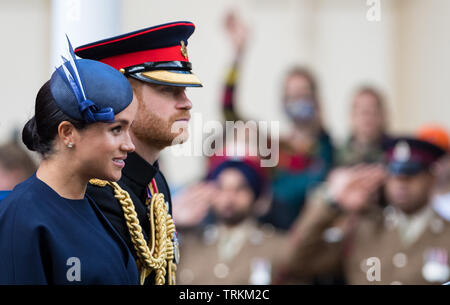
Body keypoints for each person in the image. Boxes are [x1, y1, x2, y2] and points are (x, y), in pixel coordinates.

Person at [0, 38, 139, 284]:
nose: (129, 145)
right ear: (67, 133)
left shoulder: (91, 209)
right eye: (116, 129)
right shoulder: (21, 218)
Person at [75, 21, 202, 285]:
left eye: (185, 90)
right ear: (122, 96)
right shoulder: (95, 189)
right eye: (168, 89)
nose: (187, 102)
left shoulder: (155, 183)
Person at [275, 137, 450, 285]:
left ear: (432, 177)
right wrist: (332, 201)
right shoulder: (361, 228)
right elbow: (295, 261)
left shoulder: (446, 235)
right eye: (394, 173)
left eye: (411, 174)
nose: (401, 182)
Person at [220, 11, 334, 230]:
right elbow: (228, 110)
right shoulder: (275, 146)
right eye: (291, 95)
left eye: (303, 93)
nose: (297, 100)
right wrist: (237, 55)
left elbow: (319, 182)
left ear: (316, 99)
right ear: (282, 101)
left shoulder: (326, 148)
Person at [177, 157, 285, 285]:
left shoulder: (278, 246)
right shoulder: (188, 244)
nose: (228, 198)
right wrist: (174, 220)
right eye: (221, 188)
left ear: (255, 195)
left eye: (239, 189)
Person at [336, 86, 389, 166]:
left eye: (373, 111)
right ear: (352, 116)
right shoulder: (335, 156)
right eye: (363, 111)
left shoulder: (394, 152)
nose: (367, 116)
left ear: (382, 115)